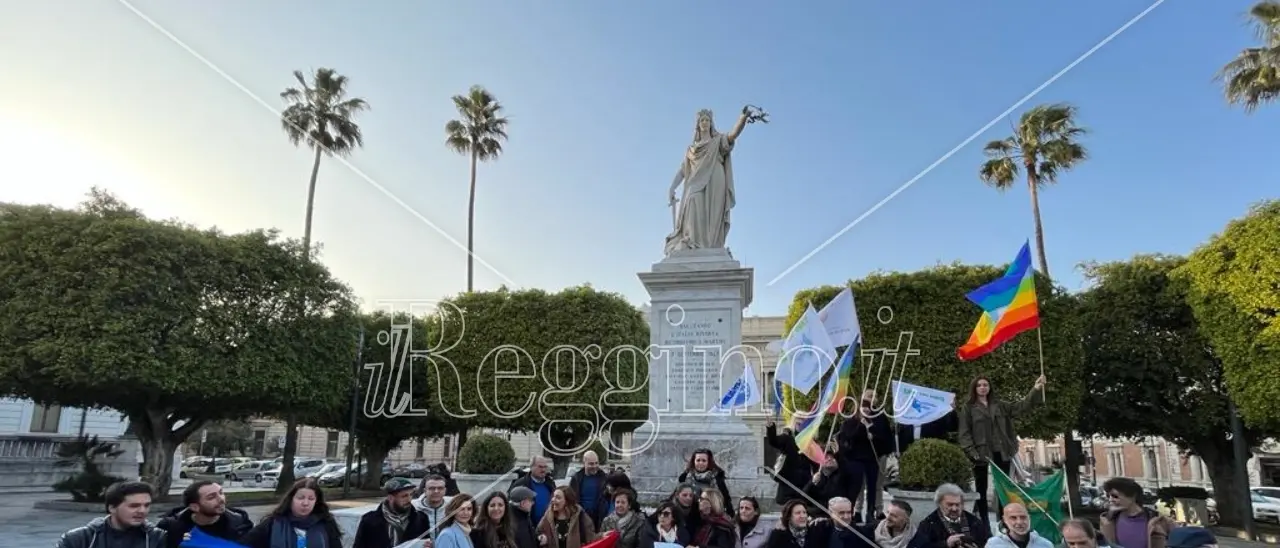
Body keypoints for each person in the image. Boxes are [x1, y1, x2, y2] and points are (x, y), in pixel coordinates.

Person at [664, 107, 756, 255]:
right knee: (693, 202)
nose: (705, 122)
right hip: (695, 182)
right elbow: (683, 170)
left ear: (711, 123)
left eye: (707, 120)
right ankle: (693, 243)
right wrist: (672, 187)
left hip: (715, 178)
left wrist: (742, 118)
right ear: (698, 124)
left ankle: (711, 247)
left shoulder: (718, 141)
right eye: (702, 120)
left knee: (714, 215)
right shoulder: (691, 149)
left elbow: (732, 136)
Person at [957, 374, 1046, 521]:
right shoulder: (969, 408)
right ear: (974, 388)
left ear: (989, 387)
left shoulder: (1000, 405)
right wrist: (972, 452)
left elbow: (1021, 407)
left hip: (1002, 452)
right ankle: (983, 520)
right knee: (981, 488)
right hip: (980, 454)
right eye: (979, 385)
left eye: (985, 384)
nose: (982, 387)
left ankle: (1003, 519)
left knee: (1003, 487)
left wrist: (1035, 389)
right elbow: (964, 432)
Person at [837, 390, 893, 523]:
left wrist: (872, 433)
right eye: (864, 406)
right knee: (858, 486)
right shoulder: (852, 421)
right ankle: (856, 511)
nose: (867, 409)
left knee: (873, 485)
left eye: (868, 406)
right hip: (856, 459)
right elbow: (848, 437)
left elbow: (883, 437)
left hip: (873, 458)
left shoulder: (878, 419)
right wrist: (862, 426)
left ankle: (871, 511)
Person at [57, 481, 166, 548]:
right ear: (112, 508)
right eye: (134, 506)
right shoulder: (78, 539)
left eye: (146, 505)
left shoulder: (157, 538)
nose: (142, 511)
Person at [239, 478, 344, 548]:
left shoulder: (326, 524)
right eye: (300, 498)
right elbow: (245, 543)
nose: (305, 503)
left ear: (317, 501)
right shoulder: (273, 523)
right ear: (291, 499)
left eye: (311, 499)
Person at [156, 480, 252, 548]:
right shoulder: (170, 527)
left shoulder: (240, 525)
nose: (221, 499)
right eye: (211, 497)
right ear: (194, 507)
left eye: (221, 493)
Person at [353, 478, 432, 548]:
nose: (409, 499)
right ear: (390, 498)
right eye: (404, 496)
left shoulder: (420, 518)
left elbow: (426, 543)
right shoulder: (369, 520)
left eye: (411, 495)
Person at [909, 483, 990, 548]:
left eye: (957, 504)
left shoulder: (974, 522)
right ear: (939, 504)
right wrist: (945, 544)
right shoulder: (928, 524)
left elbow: (988, 543)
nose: (954, 509)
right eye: (950, 505)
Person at [1099, 477, 1172, 548]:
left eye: (1115, 496)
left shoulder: (1158, 520)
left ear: (1133, 496)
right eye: (1108, 496)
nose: (1110, 500)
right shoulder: (1108, 521)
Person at [766, 417, 816, 505]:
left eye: (803, 423)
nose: (801, 425)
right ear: (794, 424)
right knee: (789, 509)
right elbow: (774, 441)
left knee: (803, 506)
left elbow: (815, 461)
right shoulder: (787, 438)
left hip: (804, 482)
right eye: (798, 423)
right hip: (788, 482)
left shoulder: (810, 441)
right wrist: (770, 427)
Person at [678, 449, 733, 516]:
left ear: (708, 462)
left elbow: (725, 498)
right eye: (698, 460)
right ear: (694, 461)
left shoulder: (717, 478)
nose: (700, 463)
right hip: (688, 515)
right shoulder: (685, 477)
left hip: (710, 515)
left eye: (704, 461)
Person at [983, 503, 1052, 548]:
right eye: (1013, 518)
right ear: (1005, 520)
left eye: (1023, 517)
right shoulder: (993, 544)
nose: (1019, 522)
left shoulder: (1045, 545)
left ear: (1029, 518)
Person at [510, 456, 556, 523]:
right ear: (531, 467)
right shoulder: (521, 484)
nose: (543, 470)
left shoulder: (550, 483)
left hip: (547, 526)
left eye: (545, 467)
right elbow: (512, 507)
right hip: (528, 526)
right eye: (540, 467)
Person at [570, 451, 610, 524]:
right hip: (581, 520)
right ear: (584, 463)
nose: (594, 466)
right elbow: (570, 500)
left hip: (599, 520)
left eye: (596, 463)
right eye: (591, 463)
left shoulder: (604, 478)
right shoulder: (576, 479)